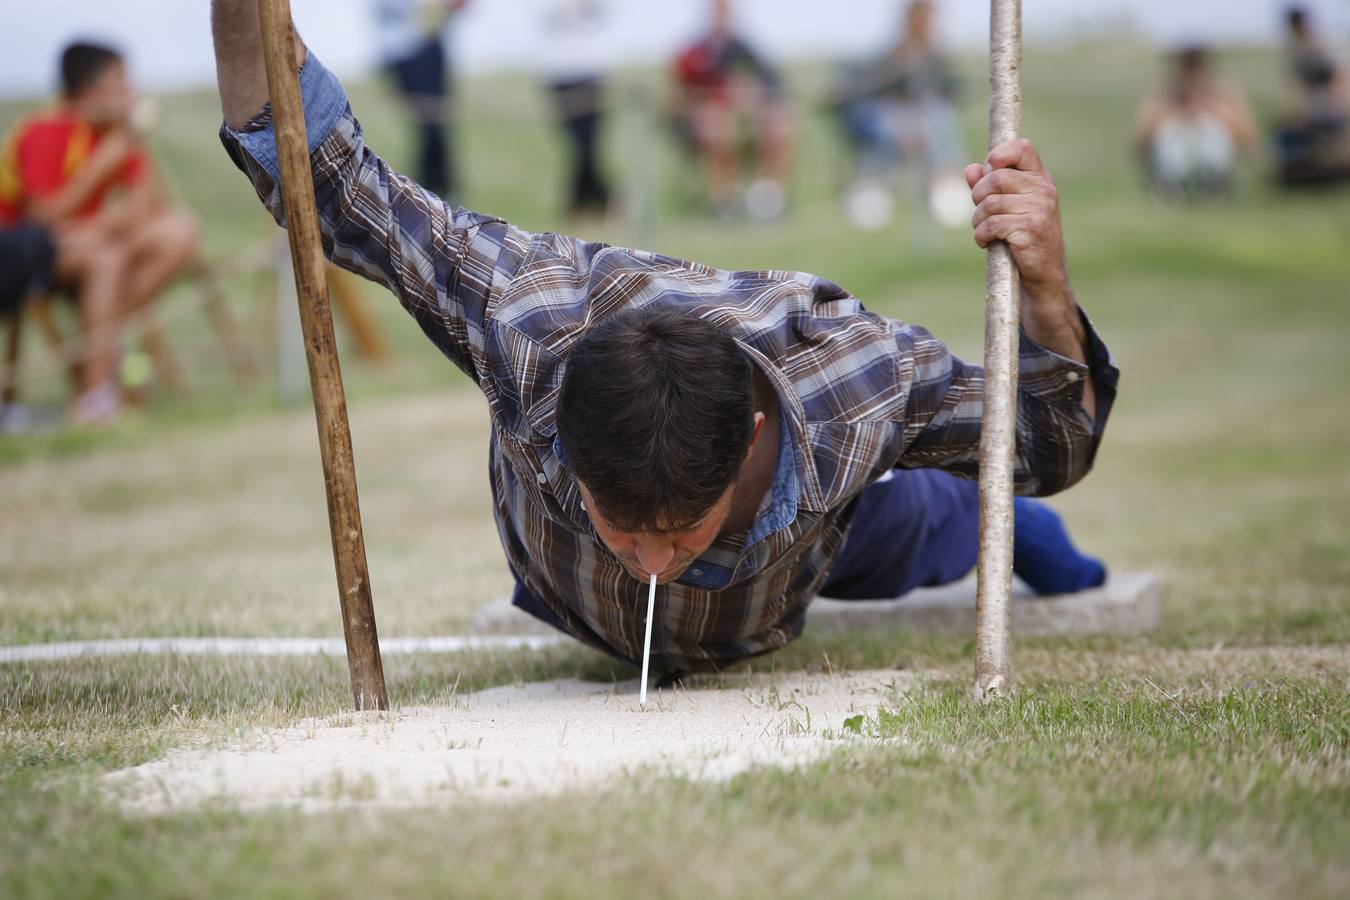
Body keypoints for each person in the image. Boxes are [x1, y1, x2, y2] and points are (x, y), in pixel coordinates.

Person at [211, 4, 1117, 679]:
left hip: (814, 558)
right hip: (559, 585)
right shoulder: (527, 317)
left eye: (679, 534)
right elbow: (325, 181)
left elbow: (1044, 441)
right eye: (625, 526)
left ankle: (1045, 550)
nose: (650, 566)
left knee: (956, 519)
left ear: (753, 441)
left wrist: (1046, 285)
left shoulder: (854, 379)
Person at [0, 41, 201, 424]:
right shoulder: (45, 129)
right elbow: (41, 221)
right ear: (90, 91)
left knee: (178, 230)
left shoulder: (114, 132)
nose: (131, 92)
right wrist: (102, 165)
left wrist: (131, 147)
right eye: (121, 83)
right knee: (108, 257)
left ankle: (109, 353)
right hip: (29, 251)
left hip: (88, 239)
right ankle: (97, 391)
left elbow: (145, 207)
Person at [831, 0, 970, 229]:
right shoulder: (891, 56)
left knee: (939, 116)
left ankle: (946, 182)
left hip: (924, 124)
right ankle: (873, 187)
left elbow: (949, 91)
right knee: (891, 126)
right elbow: (863, 90)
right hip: (885, 122)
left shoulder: (935, 59)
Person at [672, 0, 793, 221]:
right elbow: (682, 93)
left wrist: (752, 95)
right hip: (709, 122)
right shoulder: (694, 52)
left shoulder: (744, 48)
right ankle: (727, 200)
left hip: (748, 120)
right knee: (717, 127)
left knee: (778, 123)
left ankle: (767, 197)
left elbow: (771, 82)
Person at [373, 0, 469, 203]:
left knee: (436, 126)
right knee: (429, 127)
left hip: (429, 49)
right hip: (407, 53)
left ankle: (438, 190)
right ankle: (426, 193)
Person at [1134, 46, 1257, 198]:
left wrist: (1211, 110)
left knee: (1210, 128)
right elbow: (1141, 137)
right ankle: (1171, 186)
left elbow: (1247, 137)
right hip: (1175, 162)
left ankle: (1215, 183)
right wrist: (1175, 112)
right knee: (1172, 129)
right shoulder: (1164, 95)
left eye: (1196, 65)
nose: (1192, 74)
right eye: (1187, 65)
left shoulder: (1222, 94)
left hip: (1215, 159)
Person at [541, 0, 613, 219]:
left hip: (591, 74)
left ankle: (582, 203)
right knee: (579, 145)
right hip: (561, 75)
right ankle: (601, 198)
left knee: (589, 145)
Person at [1274, 5, 1350, 185]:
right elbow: (1294, 83)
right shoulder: (1294, 49)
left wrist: (1337, 101)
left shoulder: (1319, 45)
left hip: (1326, 100)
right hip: (1311, 101)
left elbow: (1337, 76)